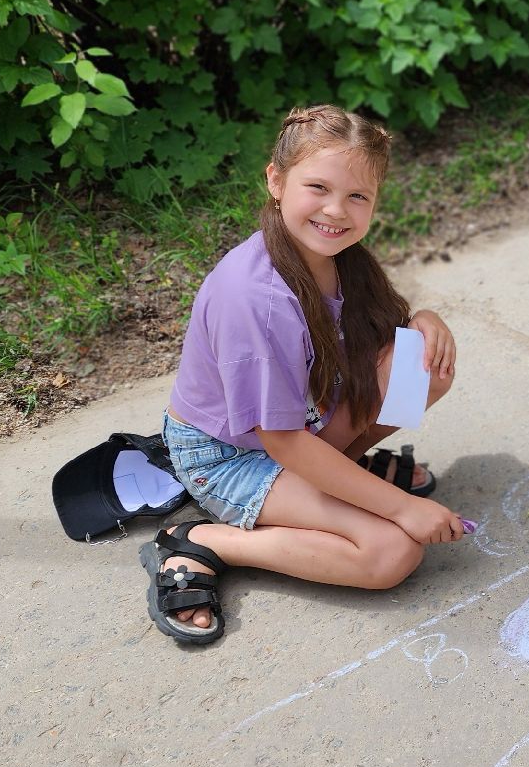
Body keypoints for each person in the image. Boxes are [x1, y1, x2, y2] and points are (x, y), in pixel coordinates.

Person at [147, 105, 467, 645]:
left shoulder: (338, 257)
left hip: (298, 430)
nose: (336, 210)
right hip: (230, 458)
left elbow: (381, 335)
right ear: (275, 180)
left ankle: (338, 485)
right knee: (392, 552)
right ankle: (201, 539)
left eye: (357, 196)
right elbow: (281, 443)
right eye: (317, 187)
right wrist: (402, 508)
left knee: (421, 364)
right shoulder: (254, 297)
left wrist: (424, 320)